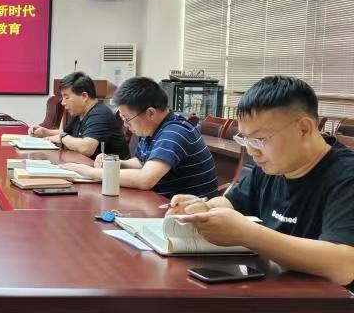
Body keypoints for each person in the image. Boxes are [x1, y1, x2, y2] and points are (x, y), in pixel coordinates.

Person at [167, 76, 354, 290]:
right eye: (245, 139)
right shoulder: (272, 166)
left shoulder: (346, 176)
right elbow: (232, 203)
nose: (251, 151)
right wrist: (202, 208)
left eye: (259, 140)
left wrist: (248, 234)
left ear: (303, 129)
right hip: (275, 288)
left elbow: (344, 265)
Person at [61, 76, 218, 199]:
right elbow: (141, 162)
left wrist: (90, 172)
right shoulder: (153, 128)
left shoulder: (174, 132)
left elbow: (145, 179)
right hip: (161, 202)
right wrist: (114, 163)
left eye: (127, 119)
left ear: (150, 113)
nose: (126, 125)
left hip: (186, 215)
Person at [28, 72, 128, 159]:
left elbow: (86, 148)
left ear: (84, 96)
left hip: (111, 171)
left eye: (66, 97)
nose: (63, 103)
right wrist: (45, 132)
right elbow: (67, 134)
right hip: (87, 166)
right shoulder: (80, 113)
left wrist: (61, 138)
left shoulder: (100, 114)